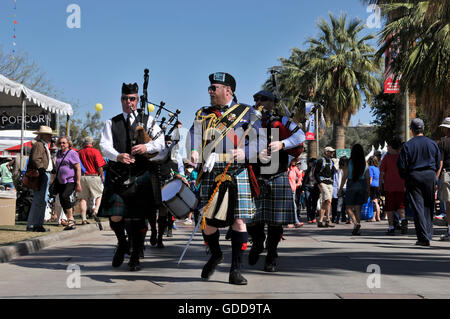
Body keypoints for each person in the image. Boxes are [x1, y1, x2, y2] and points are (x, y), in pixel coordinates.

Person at [188, 72, 260, 285]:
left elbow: (260, 140)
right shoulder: (203, 113)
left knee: (238, 220)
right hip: (211, 171)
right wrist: (193, 150)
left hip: (236, 171)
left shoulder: (247, 113)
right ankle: (216, 254)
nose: (209, 92)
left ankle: (236, 270)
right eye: (209, 88)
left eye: (214, 88)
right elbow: (193, 134)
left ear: (228, 90)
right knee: (208, 223)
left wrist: (245, 154)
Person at [98, 82, 165, 271]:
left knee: (138, 218)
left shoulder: (148, 121)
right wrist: (117, 156)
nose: (129, 102)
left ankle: (135, 256)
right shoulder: (112, 122)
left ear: (137, 100)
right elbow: (104, 146)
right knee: (116, 216)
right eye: (126, 99)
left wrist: (146, 147)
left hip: (141, 174)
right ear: (121, 100)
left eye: (132, 99)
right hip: (118, 174)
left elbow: (160, 142)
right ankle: (122, 243)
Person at [247, 90, 305, 273]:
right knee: (251, 219)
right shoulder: (249, 120)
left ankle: (271, 255)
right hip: (254, 175)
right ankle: (257, 242)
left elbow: (300, 137)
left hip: (277, 174)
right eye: (256, 99)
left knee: (275, 221)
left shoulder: (283, 121)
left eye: (263, 99)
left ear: (273, 102)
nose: (259, 102)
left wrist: (282, 144)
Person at [397, 118, 441, 246]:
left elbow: (402, 165)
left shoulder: (408, 145)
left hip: (414, 176)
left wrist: (406, 177)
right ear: (423, 128)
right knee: (428, 206)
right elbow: (438, 163)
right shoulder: (432, 144)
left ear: (412, 130)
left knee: (418, 207)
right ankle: (428, 233)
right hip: (430, 175)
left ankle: (423, 237)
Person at [26, 126, 56, 232]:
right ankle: (34, 225)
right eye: (48, 135)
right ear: (43, 135)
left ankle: (37, 224)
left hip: (44, 173)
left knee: (41, 200)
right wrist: (42, 169)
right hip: (42, 174)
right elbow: (35, 159)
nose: (50, 137)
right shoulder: (39, 144)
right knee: (40, 200)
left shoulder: (43, 144)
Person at [338, 144, 370, 236]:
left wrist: (340, 189)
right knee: (358, 207)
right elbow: (368, 177)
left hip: (352, 184)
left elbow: (345, 177)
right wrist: (368, 189)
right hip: (362, 184)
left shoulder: (349, 162)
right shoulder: (364, 162)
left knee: (348, 207)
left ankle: (356, 223)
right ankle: (358, 225)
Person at [52, 136, 82, 230]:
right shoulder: (58, 153)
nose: (62, 145)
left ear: (68, 143)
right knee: (62, 200)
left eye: (64, 143)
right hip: (60, 180)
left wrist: (78, 182)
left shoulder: (72, 153)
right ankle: (70, 220)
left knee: (65, 196)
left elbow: (78, 168)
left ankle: (71, 219)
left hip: (71, 180)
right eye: (60, 143)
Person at [379, 137, 408, 235]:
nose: (387, 148)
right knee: (401, 206)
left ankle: (391, 227)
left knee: (390, 208)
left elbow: (382, 173)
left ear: (391, 147)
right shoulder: (402, 157)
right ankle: (403, 220)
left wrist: (380, 185)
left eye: (388, 146)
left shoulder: (386, 158)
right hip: (401, 186)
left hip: (389, 187)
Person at [77, 136, 106, 225]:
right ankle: (95, 210)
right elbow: (99, 165)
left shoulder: (79, 152)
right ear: (92, 144)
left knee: (83, 198)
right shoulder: (95, 151)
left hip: (82, 177)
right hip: (94, 176)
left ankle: (83, 219)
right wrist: (101, 175)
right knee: (99, 194)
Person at [314, 146, 337, 228]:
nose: (332, 153)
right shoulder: (320, 161)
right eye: (331, 152)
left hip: (330, 183)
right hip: (323, 183)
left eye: (333, 152)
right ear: (326, 152)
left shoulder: (332, 162)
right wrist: (319, 183)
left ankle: (320, 221)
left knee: (326, 202)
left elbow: (333, 173)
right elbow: (315, 173)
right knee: (328, 200)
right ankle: (328, 219)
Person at [436, 117, 450, 241]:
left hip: (447, 174)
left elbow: (440, 162)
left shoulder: (442, 142)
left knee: (448, 203)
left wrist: (436, 177)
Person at [287, 158, 305, 228]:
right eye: (293, 160)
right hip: (286, 188)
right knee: (288, 206)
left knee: (293, 206)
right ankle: (290, 222)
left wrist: (298, 183)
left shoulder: (294, 168)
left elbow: (300, 175)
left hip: (293, 189)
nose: (295, 162)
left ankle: (295, 221)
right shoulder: (286, 168)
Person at [302, 158, 319, 224]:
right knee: (308, 202)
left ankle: (313, 217)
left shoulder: (317, 170)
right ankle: (309, 217)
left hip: (315, 188)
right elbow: (305, 180)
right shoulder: (308, 170)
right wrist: (303, 189)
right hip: (308, 187)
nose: (311, 164)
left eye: (313, 162)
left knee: (314, 203)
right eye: (310, 163)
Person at [368, 156, 381, 222]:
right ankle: (378, 217)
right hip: (377, 186)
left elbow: (370, 178)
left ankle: (373, 217)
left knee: (374, 202)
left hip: (372, 186)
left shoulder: (370, 168)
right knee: (377, 202)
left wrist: (368, 187)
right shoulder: (377, 168)